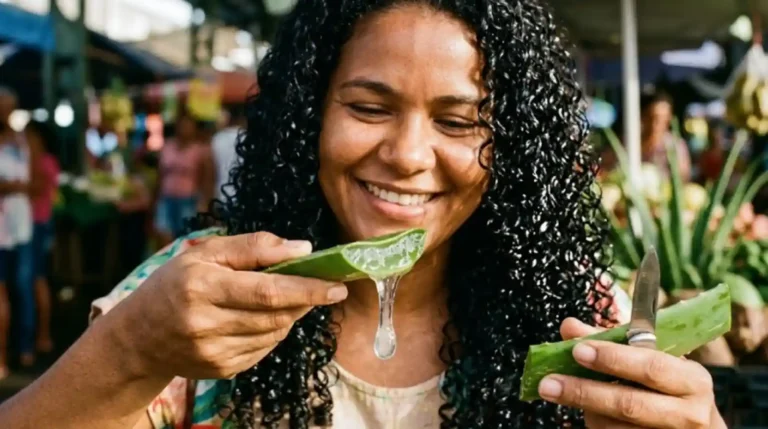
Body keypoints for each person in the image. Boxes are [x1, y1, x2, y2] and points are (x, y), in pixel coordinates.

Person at [0, 2, 724, 429]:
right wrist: (129, 353)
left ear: (515, 149)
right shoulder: (193, 291)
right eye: (369, 108)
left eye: (461, 121)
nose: (409, 155)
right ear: (308, 115)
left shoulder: (586, 314)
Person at [0, 87, 36, 376]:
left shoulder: (24, 140)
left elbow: (34, 182)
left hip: (20, 224)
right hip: (8, 223)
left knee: (23, 287)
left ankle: (24, 347)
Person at [25, 119, 60, 357]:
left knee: (37, 280)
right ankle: (42, 335)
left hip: (36, 225)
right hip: (37, 225)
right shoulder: (46, 161)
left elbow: (36, 188)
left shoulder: (42, 162)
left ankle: (43, 335)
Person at [154, 112, 214, 246]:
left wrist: (204, 202)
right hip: (166, 198)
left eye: (188, 125)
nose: (184, 129)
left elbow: (207, 178)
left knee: (184, 240)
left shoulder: (200, 150)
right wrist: (155, 200)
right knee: (164, 237)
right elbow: (160, 175)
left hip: (188, 201)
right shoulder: (167, 146)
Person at [211, 106, 246, 201]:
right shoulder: (247, 138)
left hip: (220, 193)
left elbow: (211, 169)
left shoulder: (217, 139)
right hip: (242, 194)